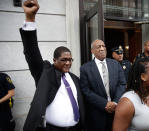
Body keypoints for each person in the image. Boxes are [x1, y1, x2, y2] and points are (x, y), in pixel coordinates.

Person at [19, 0, 85, 131]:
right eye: (64, 60)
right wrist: (30, 19)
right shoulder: (45, 73)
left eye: (70, 59)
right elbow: (32, 53)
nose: (68, 63)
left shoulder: (74, 78)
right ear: (54, 60)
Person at [80, 39, 126, 131]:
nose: (102, 49)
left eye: (103, 46)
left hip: (116, 111)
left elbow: (122, 84)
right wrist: (105, 104)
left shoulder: (115, 64)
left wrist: (115, 102)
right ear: (92, 51)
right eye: (98, 47)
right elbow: (86, 90)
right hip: (97, 113)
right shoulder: (85, 68)